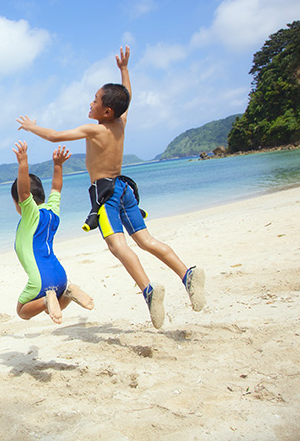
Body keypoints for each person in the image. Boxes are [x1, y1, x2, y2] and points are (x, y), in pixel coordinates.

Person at [16, 46, 206, 329]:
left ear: (106, 111)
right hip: (125, 189)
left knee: (118, 246)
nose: (89, 104)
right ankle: (186, 273)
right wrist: (124, 71)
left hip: (107, 195)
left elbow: (55, 136)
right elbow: (127, 101)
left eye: (94, 101)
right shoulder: (120, 123)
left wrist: (32, 127)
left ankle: (148, 290)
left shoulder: (96, 129)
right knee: (147, 240)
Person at [11, 140, 95, 324]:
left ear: (19, 202)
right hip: (60, 276)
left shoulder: (30, 214)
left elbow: (24, 193)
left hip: (40, 278)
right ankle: (70, 291)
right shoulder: (52, 211)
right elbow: (56, 188)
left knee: (22, 311)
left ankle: (45, 299)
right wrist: (58, 165)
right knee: (57, 305)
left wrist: (23, 163)